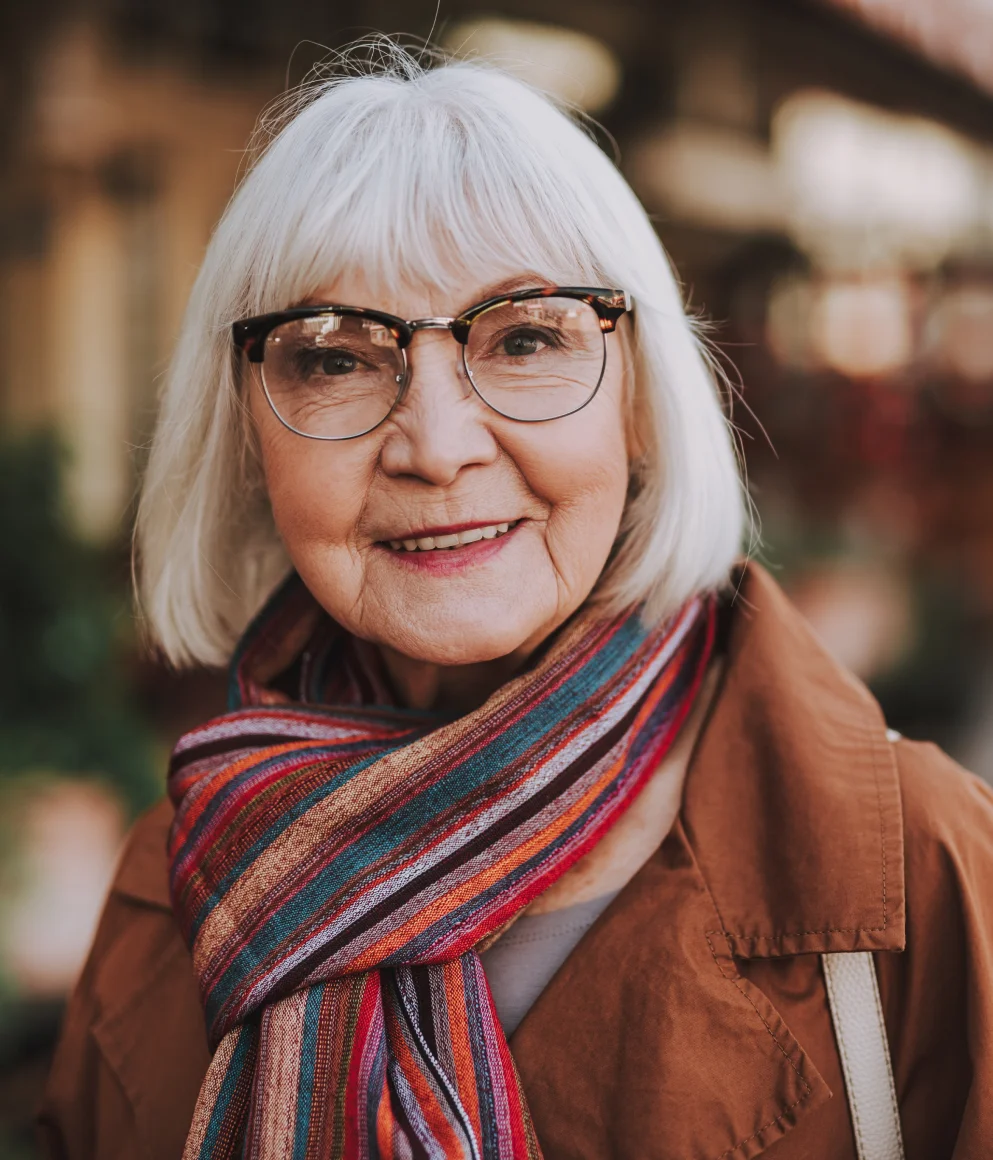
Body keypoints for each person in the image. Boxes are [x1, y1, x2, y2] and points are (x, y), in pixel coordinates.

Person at [39, 42, 993, 1160]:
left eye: (528, 338)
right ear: (250, 436)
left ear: (640, 402)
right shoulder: (176, 880)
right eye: (336, 357)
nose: (438, 448)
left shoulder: (926, 875)